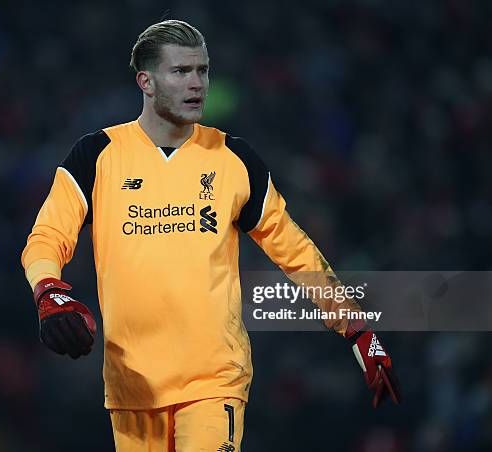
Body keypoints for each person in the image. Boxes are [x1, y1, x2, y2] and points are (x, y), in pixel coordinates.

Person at [21, 19, 399, 451]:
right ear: (145, 81)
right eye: (181, 71)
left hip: (213, 382)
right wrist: (49, 290)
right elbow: (46, 237)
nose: (197, 83)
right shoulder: (98, 155)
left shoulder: (234, 159)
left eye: (202, 70)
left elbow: (295, 252)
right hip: (132, 389)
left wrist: (357, 327)